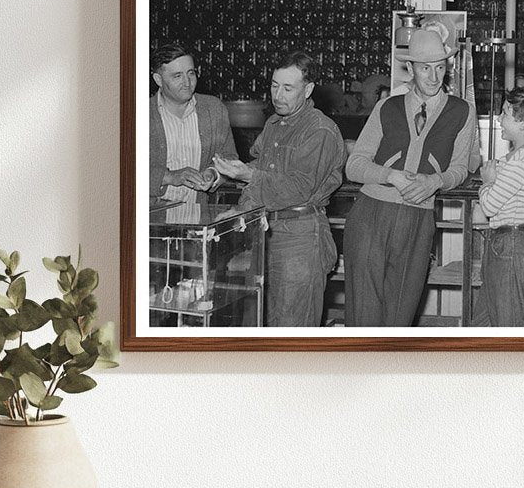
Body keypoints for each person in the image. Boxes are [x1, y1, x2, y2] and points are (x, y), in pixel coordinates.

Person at [343, 28, 477, 326]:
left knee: (400, 315)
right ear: (410, 68)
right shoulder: (387, 107)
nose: (434, 76)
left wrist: (435, 181)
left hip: (418, 220)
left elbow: (460, 168)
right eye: (425, 68)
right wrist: (391, 175)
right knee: (362, 314)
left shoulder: (462, 111)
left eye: (440, 67)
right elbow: (354, 165)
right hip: (370, 216)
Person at [212, 51, 346, 328]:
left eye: (288, 88)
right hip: (265, 231)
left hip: (300, 236)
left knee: (292, 327)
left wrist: (249, 174)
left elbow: (299, 188)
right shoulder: (274, 123)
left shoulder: (320, 130)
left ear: (308, 90)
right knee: (260, 320)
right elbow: (262, 169)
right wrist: (236, 205)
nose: (278, 95)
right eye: (274, 86)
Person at [472, 88, 524, 327]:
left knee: (509, 330)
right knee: (482, 327)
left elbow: (489, 206)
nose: (499, 119)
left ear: (523, 123)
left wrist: (488, 182)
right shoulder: (518, 157)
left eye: (505, 113)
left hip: (513, 246)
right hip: (504, 245)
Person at [149, 43, 236, 206]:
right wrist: (169, 177)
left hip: (198, 212)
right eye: (177, 76)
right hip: (152, 213)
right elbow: (121, 170)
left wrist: (213, 173)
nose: (187, 82)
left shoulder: (214, 109)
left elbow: (229, 158)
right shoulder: (139, 114)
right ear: (158, 80)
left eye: (191, 73)